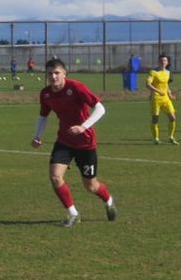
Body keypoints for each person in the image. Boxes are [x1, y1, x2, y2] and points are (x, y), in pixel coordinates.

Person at [32, 58, 117, 227]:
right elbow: (43, 116)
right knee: (55, 177)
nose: (53, 77)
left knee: (91, 186)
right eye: (50, 73)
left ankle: (108, 200)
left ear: (65, 73)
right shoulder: (46, 94)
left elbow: (100, 108)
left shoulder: (76, 87)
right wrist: (37, 135)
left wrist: (83, 127)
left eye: (57, 73)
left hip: (85, 143)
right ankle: (73, 213)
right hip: (64, 141)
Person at [146, 53, 177, 144]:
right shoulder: (153, 72)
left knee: (172, 117)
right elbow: (147, 84)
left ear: (167, 62)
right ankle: (156, 138)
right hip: (156, 98)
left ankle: (171, 137)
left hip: (166, 99)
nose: (163, 62)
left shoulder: (167, 72)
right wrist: (158, 91)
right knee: (155, 119)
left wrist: (170, 94)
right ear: (158, 61)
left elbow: (166, 85)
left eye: (165, 60)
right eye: (161, 60)